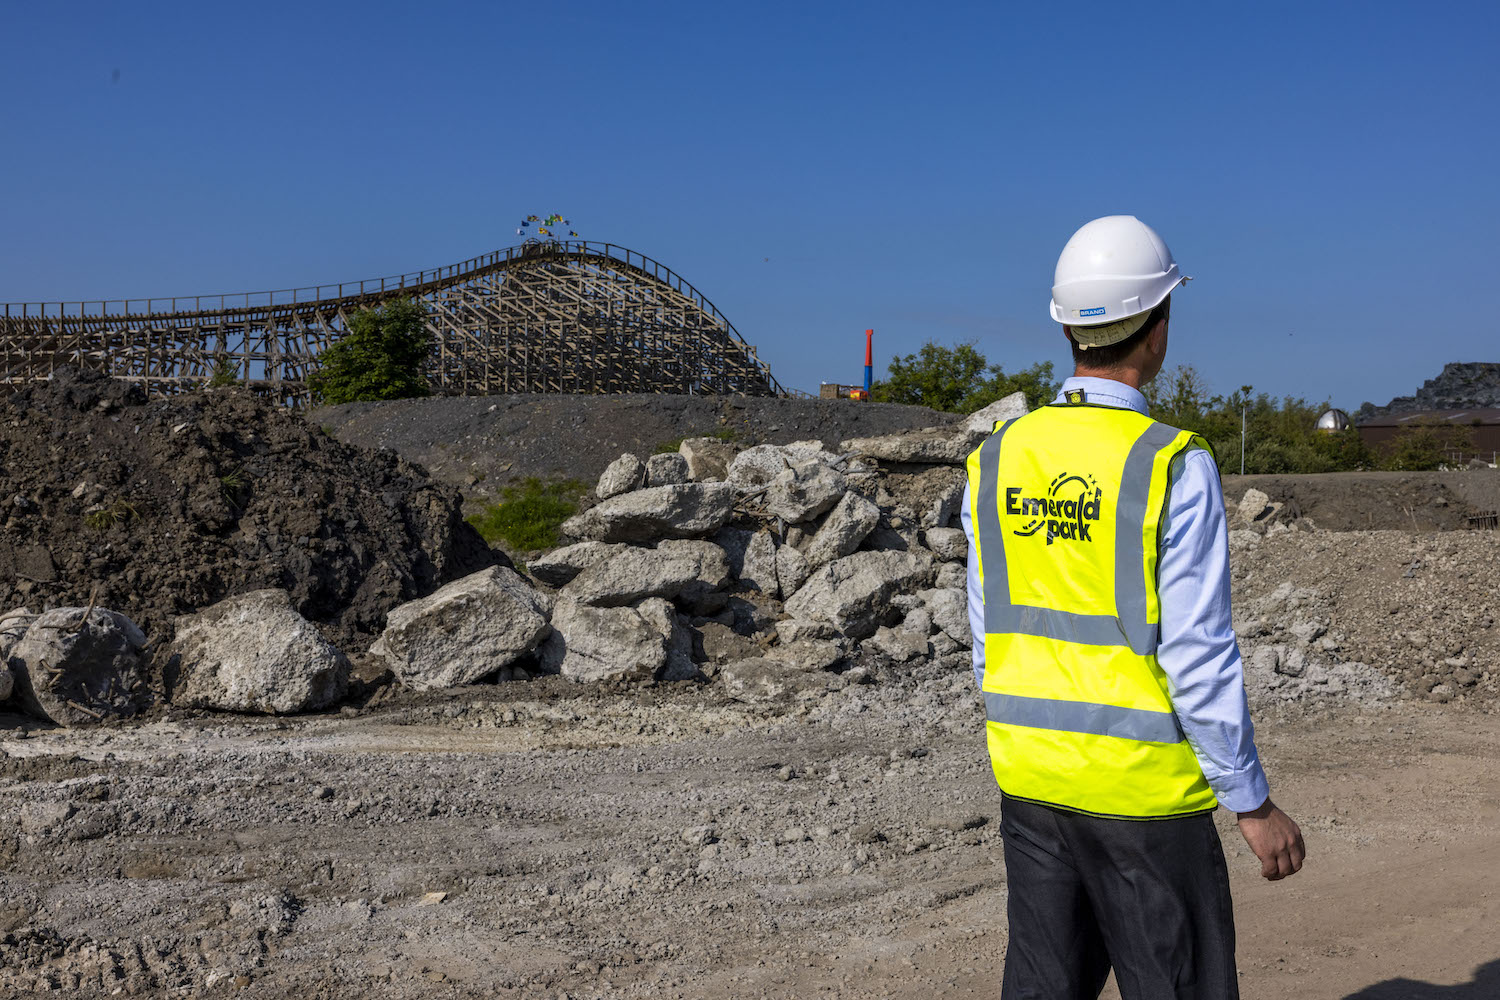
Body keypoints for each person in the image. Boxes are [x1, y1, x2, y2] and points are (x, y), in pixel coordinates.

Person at [960, 215, 1305, 999]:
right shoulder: (1170, 466)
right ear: (1158, 328)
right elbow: (1197, 651)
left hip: (1032, 782)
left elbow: (986, 632)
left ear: (1066, 332)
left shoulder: (997, 457)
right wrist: (1250, 801)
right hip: (1145, 798)